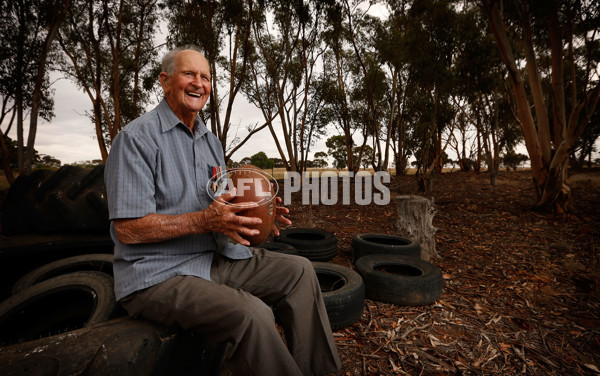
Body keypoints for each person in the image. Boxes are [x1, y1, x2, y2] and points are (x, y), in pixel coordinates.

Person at [104, 45, 341, 376]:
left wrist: (261, 216)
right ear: (165, 80)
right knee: (253, 314)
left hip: (211, 259)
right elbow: (128, 229)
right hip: (156, 275)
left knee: (300, 271)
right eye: (189, 74)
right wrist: (203, 221)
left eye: (205, 77)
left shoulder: (210, 142)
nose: (198, 83)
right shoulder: (136, 139)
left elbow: (221, 200)